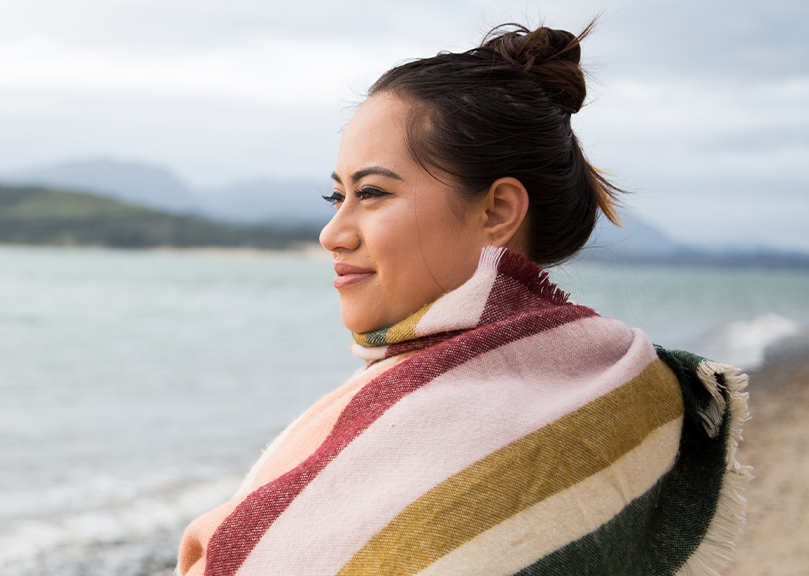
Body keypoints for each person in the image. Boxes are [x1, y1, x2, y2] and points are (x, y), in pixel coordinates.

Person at [178, 23, 749, 576]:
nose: (333, 232)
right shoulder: (620, 386)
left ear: (497, 210)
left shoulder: (456, 424)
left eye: (372, 193)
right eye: (337, 195)